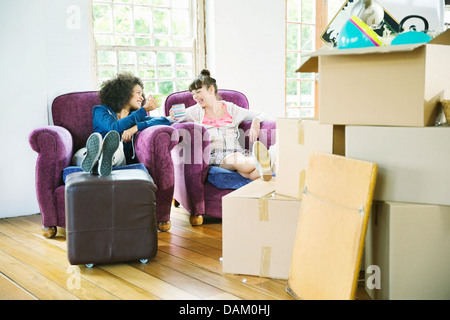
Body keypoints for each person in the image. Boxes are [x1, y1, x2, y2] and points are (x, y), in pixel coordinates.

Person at [170, 69, 274, 181]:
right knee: (237, 159)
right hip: (216, 154)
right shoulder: (195, 111)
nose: (194, 97)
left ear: (211, 90)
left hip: (238, 151)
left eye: (198, 92)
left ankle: (264, 165)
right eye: (193, 94)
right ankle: (270, 159)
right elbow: (167, 120)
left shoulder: (231, 108)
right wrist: (172, 117)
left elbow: (265, 115)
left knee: (251, 174)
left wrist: (256, 120)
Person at [72, 73, 171, 176]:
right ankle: (95, 162)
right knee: (80, 154)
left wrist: (136, 128)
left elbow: (164, 121)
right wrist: (144, 109)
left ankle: (104, 160)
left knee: (117, 146)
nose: (142, 98)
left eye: (142, 94)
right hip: (93, 149)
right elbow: (113, 127)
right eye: (138, 93)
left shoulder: (136, 116)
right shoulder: (100, 110)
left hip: (119, 157)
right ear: (125, 93)